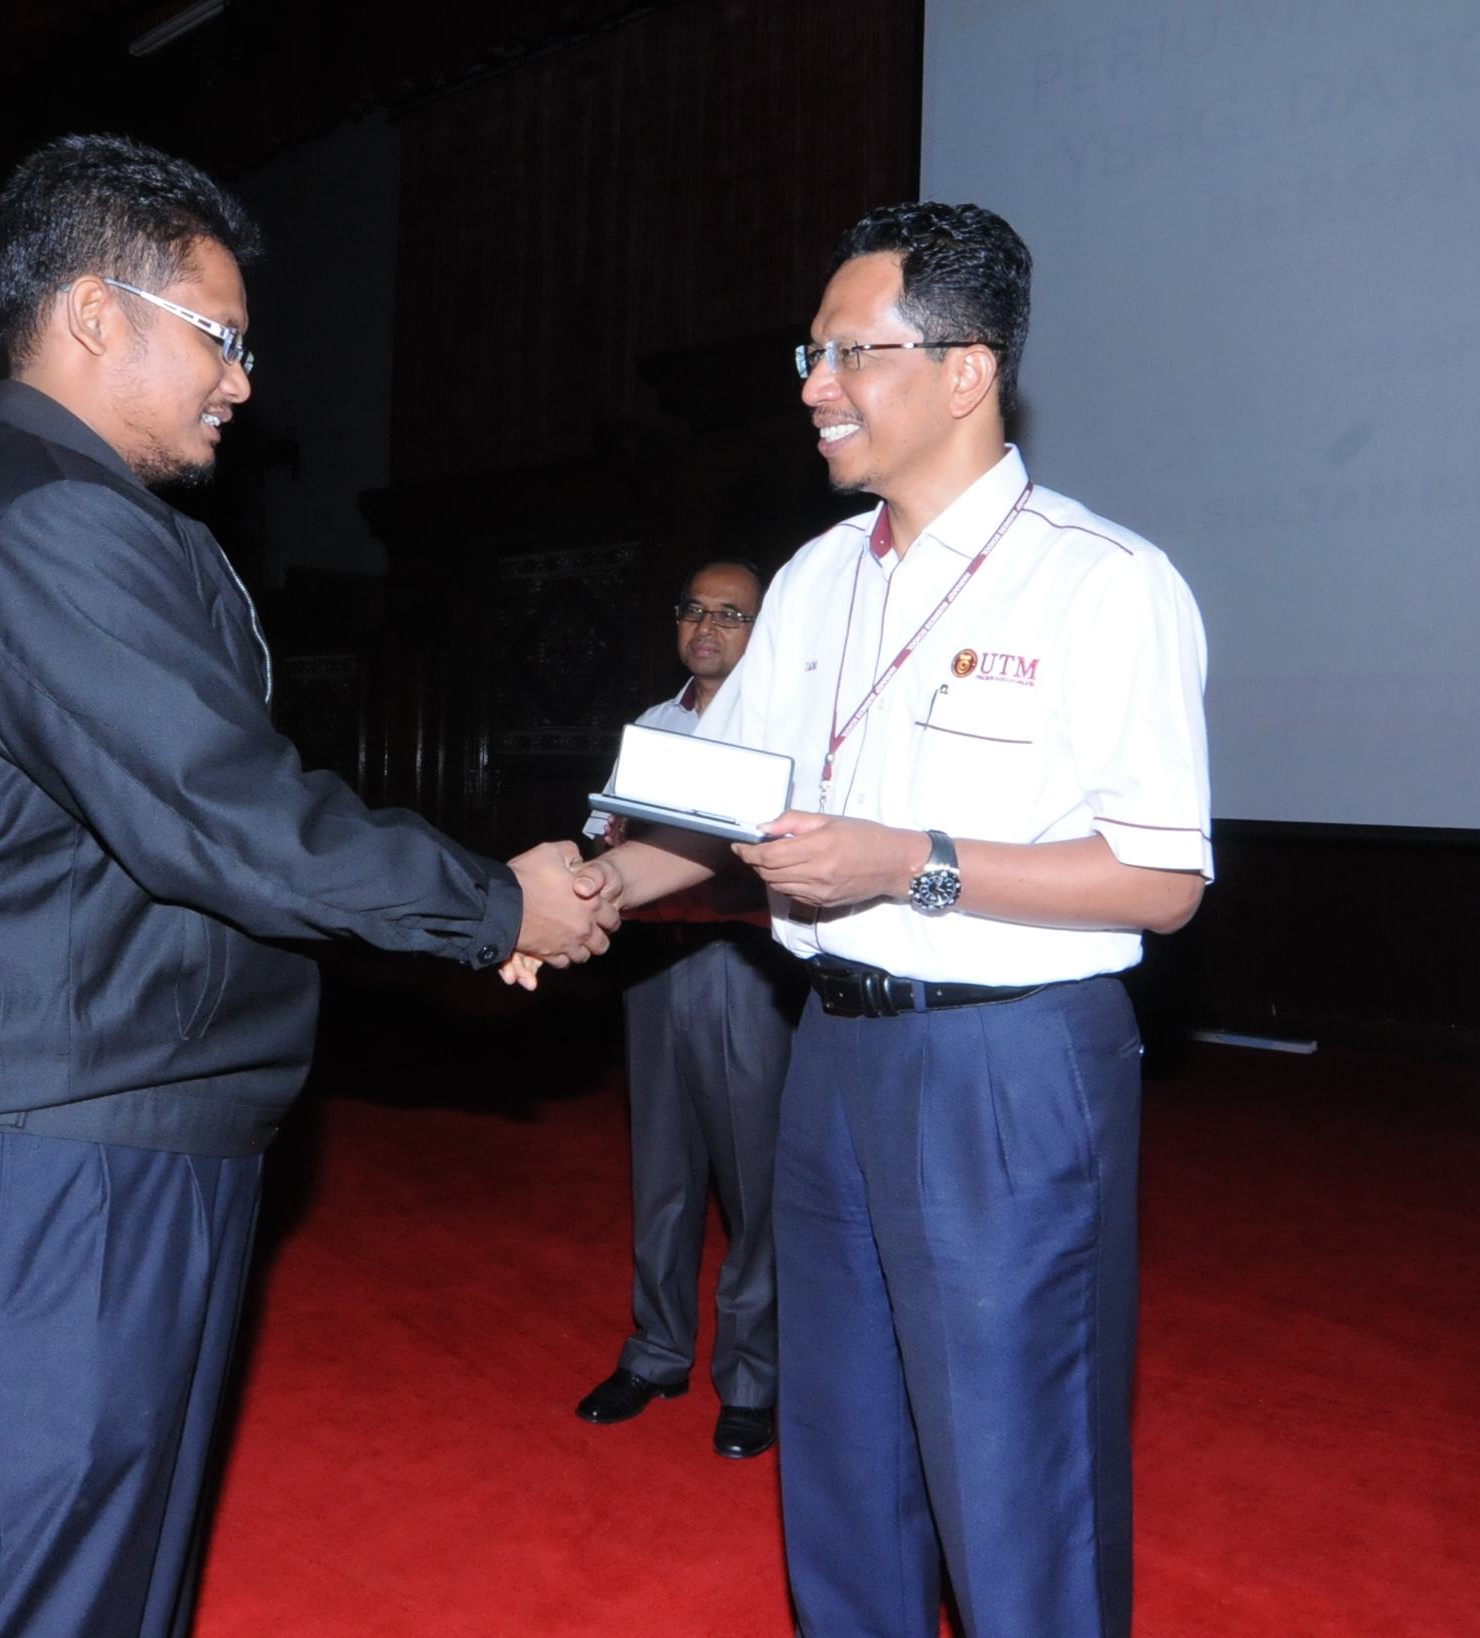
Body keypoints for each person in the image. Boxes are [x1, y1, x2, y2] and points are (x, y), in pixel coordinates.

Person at [0, 133, 616, 1638]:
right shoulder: (44, 523)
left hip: (91, 1146)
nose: (244, 380)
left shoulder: (40, 507)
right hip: (50, 1174)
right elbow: (228, 813)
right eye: (222, 336)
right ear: (94, 315)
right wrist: (500, 905)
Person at [532, 202, 1212, 1638]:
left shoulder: (1103, 581)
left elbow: (1161, 878)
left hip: (1009, 1071)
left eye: (850, 352)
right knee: (843, 1466)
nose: (811, 385)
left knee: (1015, 1478)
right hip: (829, 1055)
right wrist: (593, 885)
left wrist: (909, 862)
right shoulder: (818, 576)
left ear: (965, 370)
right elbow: (726, 809)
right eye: (810, 350)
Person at [573, 560, 801, 1459]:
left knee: (753, 1184)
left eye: (732, 614)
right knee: (661, 1172)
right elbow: (608, 838)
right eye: (695, 610)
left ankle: (751, 1377)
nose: (709, 627)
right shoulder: (652, 726)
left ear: (761, 630)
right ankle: (657, 1351)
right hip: (653, 964)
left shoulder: (782, 728)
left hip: (742, 965)